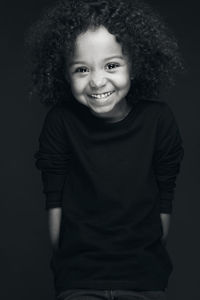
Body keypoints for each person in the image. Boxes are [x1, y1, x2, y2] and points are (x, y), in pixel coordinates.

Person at [25, 0, 185, 299]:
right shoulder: (61, 121)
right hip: (78, 279)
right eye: (82, 69)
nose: (97, 81)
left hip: (144, 278)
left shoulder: (158, 120)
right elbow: (54, 200)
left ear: (135, 65)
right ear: (63, 73)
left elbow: (165, 199)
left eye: (112, 65)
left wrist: (144, 266)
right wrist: (70, 272)